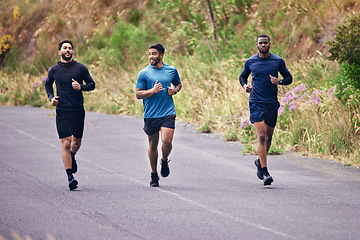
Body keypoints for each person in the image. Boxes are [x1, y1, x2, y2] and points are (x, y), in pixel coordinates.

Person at [239, 34, 292, 185]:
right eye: (260, 43)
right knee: (261, 136)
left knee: (268, 138)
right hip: (256, 102)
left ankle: (259, 162)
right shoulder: (251, 61)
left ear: (270, 44)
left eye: (265, 43)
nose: (263, 45)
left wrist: (279, 81)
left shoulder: (277, 61)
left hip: (271, 103)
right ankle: (265, 172)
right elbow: (242, 77)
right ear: (257, 45)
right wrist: (245, 86)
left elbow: (289, 78)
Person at [45, 39, 95, 190]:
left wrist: (81, 87)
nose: (68, 50)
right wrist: (51, 97)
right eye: (65, 48)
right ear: (59, 52)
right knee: (66, 143)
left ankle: (72, 156)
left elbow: (92, 84)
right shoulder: (54, 70)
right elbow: (48, 84)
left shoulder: (80, 68)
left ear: (72, 51)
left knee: (76, 143)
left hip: (78, 110)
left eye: (70, 48)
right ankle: (70, 177)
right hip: (62, 111)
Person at [135, 43, 182, 187]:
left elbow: (178, 84)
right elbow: (138, 94)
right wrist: (152, 91)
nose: (151, 57)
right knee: (153, 144)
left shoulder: (171, 70)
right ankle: (154, 174)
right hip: (151, 114)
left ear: (161, 55)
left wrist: (174, 90)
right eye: (149, 54)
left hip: (168, 112)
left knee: (167, 141)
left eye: (154, 54)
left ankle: (164, 160)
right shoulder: (144, 73)